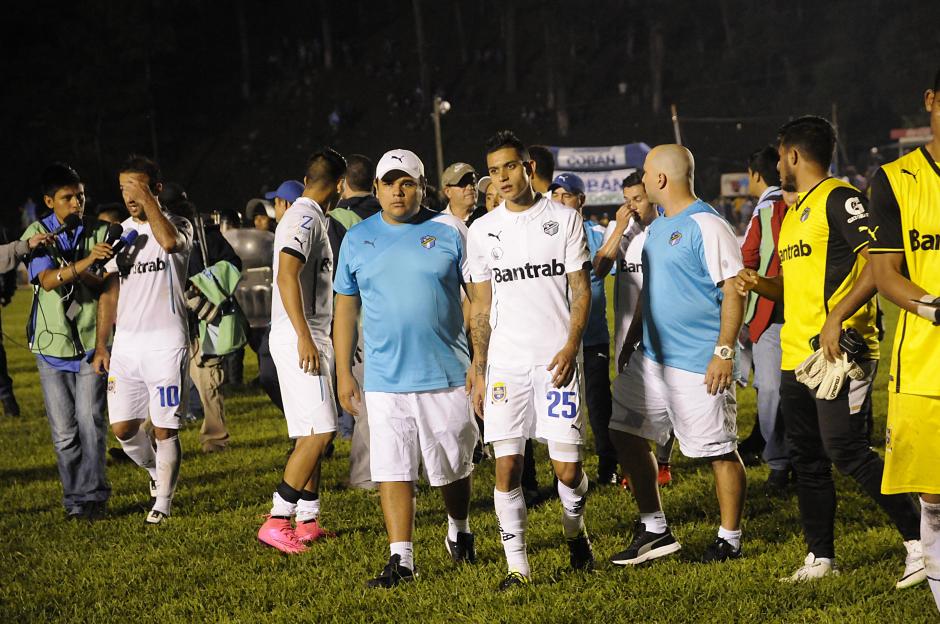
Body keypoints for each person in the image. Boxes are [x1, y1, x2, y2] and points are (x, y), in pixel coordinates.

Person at [735, 116, 923, 585]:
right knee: (808, 459)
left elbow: (878, 265)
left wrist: (838, 316)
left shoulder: (842, 198)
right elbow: (798, 287)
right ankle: (821, 557)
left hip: (840, 352)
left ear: (794, 155)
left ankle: (921, 541)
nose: (777, 163)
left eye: (780, 155)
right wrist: (761, 284)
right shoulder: (797, 211)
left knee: (848, 451)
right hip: (796, 356)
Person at [334, 149, 478, 588]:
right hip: (384, 378)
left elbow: (477, 300)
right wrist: (343, 372)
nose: (398, 190)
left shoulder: (450, 230)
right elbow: (345, 308)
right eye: (389, 183)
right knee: (393, 468)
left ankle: (459, 528)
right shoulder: (357, 239)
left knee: (454, 465)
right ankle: (403, 559)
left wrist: (480, 362)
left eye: (407, 182)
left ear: (422, 187)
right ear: (375, 189)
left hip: (447, 373)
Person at [608, 145, 747, 566]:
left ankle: (730, 538)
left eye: (648, 174)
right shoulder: (657, 229)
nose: (643, 181)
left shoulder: (708, 225)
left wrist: (723, 352)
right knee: (624, 431)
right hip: (650, 358)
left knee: (718, 451)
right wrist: (633, 339)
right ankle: (655, 527)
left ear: (662, 180)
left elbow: (734, 289)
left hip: (697, 362)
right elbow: (652, 294)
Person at [468, 130, 594, 591]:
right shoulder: (482, 230)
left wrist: (570, 345)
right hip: (505, 366)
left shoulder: (563, 219)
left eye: (508, 167)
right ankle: (517, 568)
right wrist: (479, 368)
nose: (500, 177)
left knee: (568, 471)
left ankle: (574, 532)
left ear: (528, 168)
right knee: (507, 466)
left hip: (554, 362)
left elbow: (581, 290)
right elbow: (481, 303)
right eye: (493, 170)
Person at [868, 68, 940, 608]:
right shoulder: (895, 179)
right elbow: (886, 273)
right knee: (934, 498)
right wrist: (934, 307)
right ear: (931, 100)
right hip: (923, 365)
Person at [93, 155, 193, 525]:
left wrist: (148, 200)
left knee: (165, 427)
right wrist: (103, 344)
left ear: (156, 188)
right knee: (123, 430)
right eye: (124, 189)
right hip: (127, 348)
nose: (129, 196)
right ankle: (156, 471)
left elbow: (169, 243)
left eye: (136, 187)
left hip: (166, 344)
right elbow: (109, 292)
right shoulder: (119, 234)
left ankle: (162, 504)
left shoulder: (178, 223)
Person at [256, 150, 347, 553]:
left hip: (303, 333)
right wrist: (304, 337)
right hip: (301, 335)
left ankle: (308, 521)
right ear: (340, 185)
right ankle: (277, 519)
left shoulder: (310, 216)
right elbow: (286, 274)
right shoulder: (306, 217)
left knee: (310, 431)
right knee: (323, 431)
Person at [21, 163, 114, 519]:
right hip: (51, 348)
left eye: (81, 195)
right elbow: (45, 280)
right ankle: (74, 500)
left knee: (90, 422)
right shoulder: (36, 232)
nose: (77, 202)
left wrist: (104, 344)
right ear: (49, 201)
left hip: (92, 343)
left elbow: (108, 285)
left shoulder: (101, 231)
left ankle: (94, 497)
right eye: (67, 197)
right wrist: (87, 261)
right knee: (64, 433)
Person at [593, 171, 674, 487]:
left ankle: (664, 462)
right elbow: (599, 270)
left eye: (637, 199)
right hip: (626, 332)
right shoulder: (619, 231)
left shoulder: (666, 229)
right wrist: (618, 229)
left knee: (666, 400)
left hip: (662, 331)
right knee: (628, 403)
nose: (632, 206)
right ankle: (636, 465)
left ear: (652, 195)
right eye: (627, 201)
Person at [160, 185, 243, 453]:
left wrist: (200, 286)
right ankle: (146, 438)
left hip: (202, 322)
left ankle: (216, 440)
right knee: (164, 385)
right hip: (170, 323)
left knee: (209, 383)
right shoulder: (155, 237)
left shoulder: (206, 235)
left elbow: (232, 265)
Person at [548, 172, 618, 486]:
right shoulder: (545, 234)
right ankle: (563, 471)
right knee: (560, 408)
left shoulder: (598, 234)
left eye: (567, 195)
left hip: (593, 337)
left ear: (581, 200)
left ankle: (608, 464)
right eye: (556, 195)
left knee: (599, 404)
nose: (560, 200)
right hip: (556, 340)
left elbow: (605, 271)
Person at [738, 146, 790, 492]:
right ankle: (789, 462)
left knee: (773, 391)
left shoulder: (769, 209)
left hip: (774, 315)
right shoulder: (787, 205)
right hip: (796, 313)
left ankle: (782, 464)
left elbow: (746, 258)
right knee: (785, 390)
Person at [441, 162, 487, 226]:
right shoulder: (438, 223)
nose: (470, 187)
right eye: (463, 184)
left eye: (473, 182)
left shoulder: (487, 217)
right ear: (448, 192)